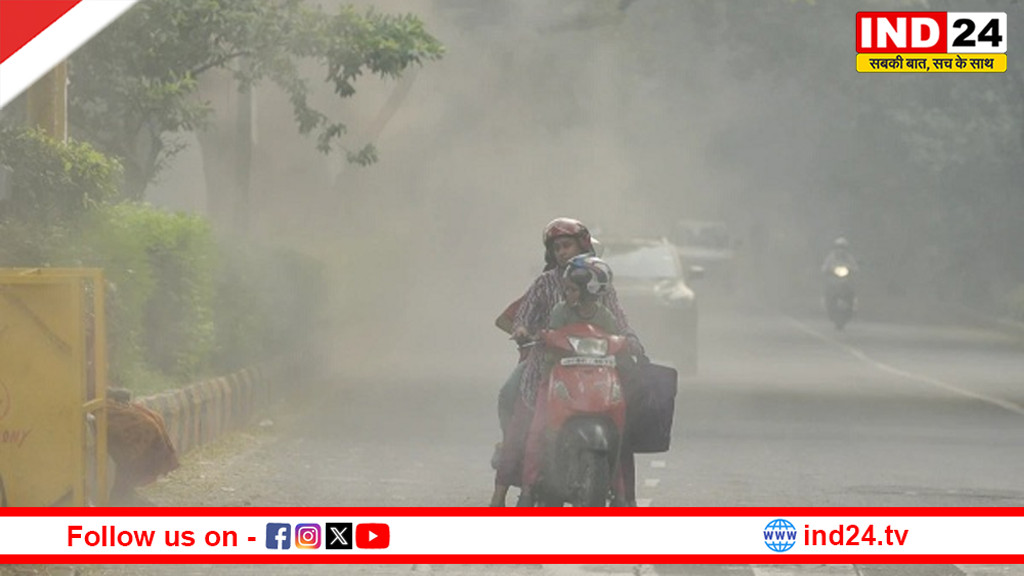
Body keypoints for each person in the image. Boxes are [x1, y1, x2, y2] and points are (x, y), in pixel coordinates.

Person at [489, 217, 644, 507]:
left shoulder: (602, 283)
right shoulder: (545, 283)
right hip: (546, 368)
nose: (562, 252)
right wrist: (523, 331)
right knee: (524, 423)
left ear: (583, 245)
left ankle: (626, 498)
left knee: (625, 424)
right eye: (557, 247)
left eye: (567, 245)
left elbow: (620, 321)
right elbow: (523, 316)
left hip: (599, 370)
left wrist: (631, 340)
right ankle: (506, 493)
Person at [519, 255, 627, 505]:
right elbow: (552, 336)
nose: (565, 293)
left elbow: (616, 336)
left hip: (599, 377)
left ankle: (620, 491)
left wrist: (627, 343)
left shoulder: (605, 315)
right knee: (537, 430)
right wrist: (542, 336)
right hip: (560, 376)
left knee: (622, 429)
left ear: (588, 292)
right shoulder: (560, 311)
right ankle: (528, 487)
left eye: (570, 289)